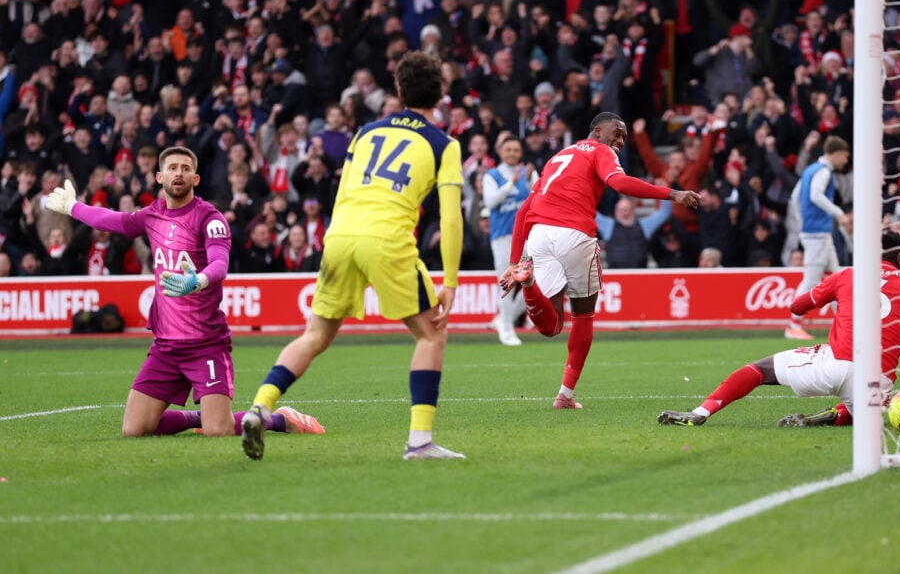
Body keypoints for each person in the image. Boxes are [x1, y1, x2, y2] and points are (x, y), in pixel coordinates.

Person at [240, 52, 466, 461]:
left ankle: (260, 406)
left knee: (315, 335)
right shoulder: (443, 144)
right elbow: (451, 218)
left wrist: (335, 238)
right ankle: (419, 442)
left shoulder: (365, 133)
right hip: (387, 238)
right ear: (441, 93)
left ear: (398, 90)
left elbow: (341, 192)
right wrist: (450, 280)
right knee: (431, 335)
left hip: (340, 236)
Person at [44, 147, 324, 438]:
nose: (179, 173)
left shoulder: (210, 218)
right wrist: (73, 207)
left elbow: (220, 264)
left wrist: (199, 280)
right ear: (159, 176)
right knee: (134, 430)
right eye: (173, 168)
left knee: (219, 430)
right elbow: (113, 220)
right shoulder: (152, 215)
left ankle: (279, 419)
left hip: (205, 343)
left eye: (186, 168)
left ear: (196, 178)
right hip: (166, 346)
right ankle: (198, 417)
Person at [657, 232, 900, 428]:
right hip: (876, 382)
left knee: (759, 370)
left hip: (833, 365)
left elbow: (796, 307)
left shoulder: (847, 275)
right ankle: (821, 419)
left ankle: (700, 413)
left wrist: (829, 298)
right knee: (865, 406)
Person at [499, 113, 700, 409]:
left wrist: (514, 261)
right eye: (616, 133)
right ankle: (565, 395)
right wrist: (673, 194)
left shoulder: (558, 157)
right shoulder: (600, 150)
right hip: (573, 233)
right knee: (583, 316)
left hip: (539, 234)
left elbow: (523, 211)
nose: (620, 141)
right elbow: (620, 183)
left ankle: (528, 284)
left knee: (551, 327)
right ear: (596, 131)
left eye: (624, 137)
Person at [785, 136, 851, 340]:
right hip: (817, 234)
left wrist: (802, 221)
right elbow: (815, 195)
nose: (846, 161)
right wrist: (839, 213)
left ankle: (845, 324)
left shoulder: (810, 170)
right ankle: (793, 325)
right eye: (845, 156)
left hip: (816, 232)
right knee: (812, 280)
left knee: (836, 278)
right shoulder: (824, 171)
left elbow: (795, 196)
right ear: (837, 153)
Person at [482, 136, 537, 346]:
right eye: (508, 149)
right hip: (503, 236)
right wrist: (510, 184)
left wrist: (530, 181)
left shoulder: (528, 173)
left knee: (535, 279)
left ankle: (505, 319)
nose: (512, 153)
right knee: (506, 282)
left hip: (527, 236)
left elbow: (539, 198)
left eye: (516, 150)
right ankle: (507, 329)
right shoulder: (492, 175)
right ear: (500, 151)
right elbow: (490, 202)